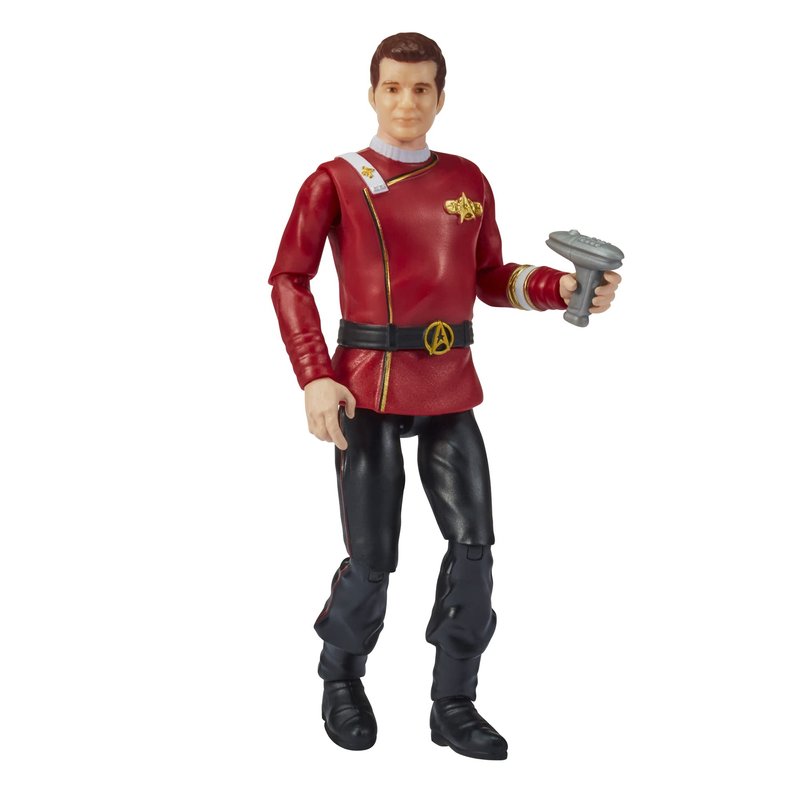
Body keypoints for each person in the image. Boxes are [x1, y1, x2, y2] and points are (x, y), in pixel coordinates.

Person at [269, 32, 620, 760]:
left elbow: (488, 276)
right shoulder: (334, 180)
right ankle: (341, 677)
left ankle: (454, 701)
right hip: (365, 384)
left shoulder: (467, 179)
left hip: (448, 382)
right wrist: (314, 374)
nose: (407, 103)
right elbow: (289, 278)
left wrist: (560, 287)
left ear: (440, 97)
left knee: (474, 550)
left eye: (421, 88)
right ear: (372, 94)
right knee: (371, 558)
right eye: (393, 88)